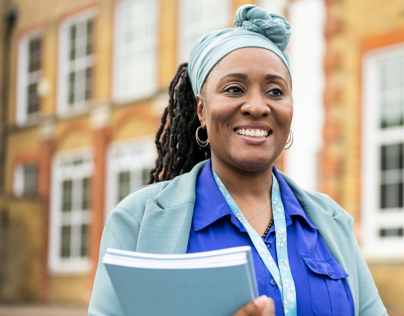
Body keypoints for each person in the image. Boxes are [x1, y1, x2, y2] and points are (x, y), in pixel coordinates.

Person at [88, 4, 387, 316]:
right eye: (234, 88)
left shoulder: (332, 221)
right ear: (202, 110)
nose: (257, 106)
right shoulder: (137, 221)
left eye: (275, 91)